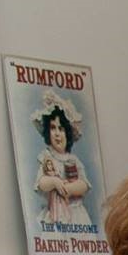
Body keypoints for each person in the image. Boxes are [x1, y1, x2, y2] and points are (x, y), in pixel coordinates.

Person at [32, 95, 93, 230]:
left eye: (61, 129)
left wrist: (69, 189)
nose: (57, 134)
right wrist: (54, 182)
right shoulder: (47, 157)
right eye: (53, 128)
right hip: (55, 215)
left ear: (68, 134)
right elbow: (41, 183)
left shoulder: (73, 160)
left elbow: (84, 184)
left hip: (76, 215)